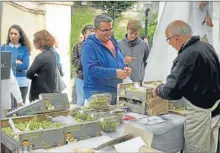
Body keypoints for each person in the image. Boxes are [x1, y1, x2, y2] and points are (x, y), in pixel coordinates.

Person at [152, 20, 220, 153]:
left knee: (196, 148)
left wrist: (158, 89)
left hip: (200, 111)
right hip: (215, 107)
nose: (170, 44)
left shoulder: (187, 55)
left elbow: (173, 90)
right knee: (211, 147)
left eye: (168, 40)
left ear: (176, 38)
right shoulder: (206, 47)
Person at [81, 14, 132, 105]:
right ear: (96, 30)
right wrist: (115, 73)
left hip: (115, 92)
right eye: (105, 30)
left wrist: (124, 69)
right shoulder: (89, 46)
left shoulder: (113, 41)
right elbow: (91, 70)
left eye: (110, 29)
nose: (109, 33)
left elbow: (118, 62)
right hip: (96, 94)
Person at [1, 25, 31, 105]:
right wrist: (15, 62)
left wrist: (9, 62)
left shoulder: (24, 49)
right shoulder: (3, 48)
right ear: (9, 35)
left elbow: (25, 66)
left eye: (15, 34)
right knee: (9, 108)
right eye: (11, 33)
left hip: (22, 83)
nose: (13, 36)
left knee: (20, 108)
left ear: (20, 35)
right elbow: (3, 65)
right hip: (8, 83)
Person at [26, 30, 56, 102]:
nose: (33, 43)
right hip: (49, 91)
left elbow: (28, 74)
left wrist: (35, 76)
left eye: (34, 40)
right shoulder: (52, 54)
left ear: (40, 41)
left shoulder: (41, 57)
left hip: (39, 94)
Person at [72, 24, 95, 106]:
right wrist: (83, 62)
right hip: (81, 77)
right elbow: (74, 60)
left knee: (93, 101)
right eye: (90, 32)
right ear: (84, 34)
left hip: (94, 78)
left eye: (94, 31)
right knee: (80, 100)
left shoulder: (97, 46)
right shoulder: (77, 46)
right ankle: (79, 116)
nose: (92, 33)